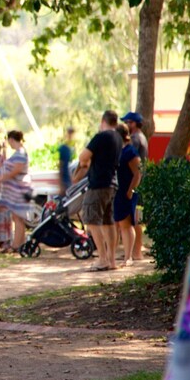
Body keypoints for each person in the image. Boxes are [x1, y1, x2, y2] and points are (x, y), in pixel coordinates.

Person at [73, 110, 123, 271]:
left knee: (91, 219)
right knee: (108, 222)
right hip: (112, 183)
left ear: (103, 121)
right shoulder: (118, 138)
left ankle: (102, 258)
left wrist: (84, 164)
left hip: (98, 184)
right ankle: (111, 260)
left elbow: (83, 156)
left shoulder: (101, 137)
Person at [0, 131, 32, 252]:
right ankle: (20, 243)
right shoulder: (19, 152)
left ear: (11, 139)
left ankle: (16, 245)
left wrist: (3, 178)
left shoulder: (20, 153)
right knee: (17, 217)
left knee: (17, 217)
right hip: (17, 189)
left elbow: (17, 169)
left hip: (19, 189)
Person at [112, 124, 142, 265]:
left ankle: (128, 256)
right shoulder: (120, 151)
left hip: (126, 192)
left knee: (126, 224)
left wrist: (130, 191)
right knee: (119, 223)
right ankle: (119, 255)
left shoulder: (130, 152)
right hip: (119, 192)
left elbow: (137, 173)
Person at [121, 112, 148, 264]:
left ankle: (136, 252)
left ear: (135, 123)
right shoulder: (140, 137)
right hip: (139, 184)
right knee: (136, 217)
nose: (126, 125)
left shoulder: (136, 139)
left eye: (128, 122)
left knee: (135, 218)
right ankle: (135, 251)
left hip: (136, 184)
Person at [57, 127, 75, 196]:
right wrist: (60, 184)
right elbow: (60, 165)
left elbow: (69, 165)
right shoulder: (63, 148)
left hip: (68, 179)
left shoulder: (70, 149)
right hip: (64, 180)